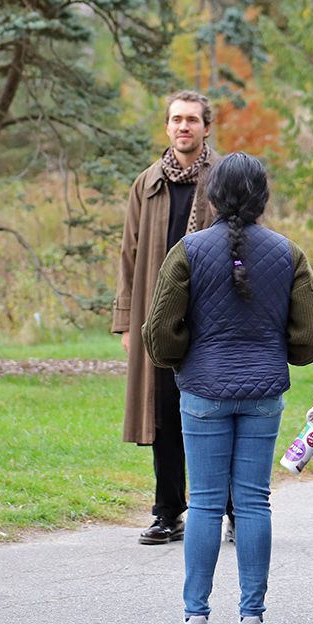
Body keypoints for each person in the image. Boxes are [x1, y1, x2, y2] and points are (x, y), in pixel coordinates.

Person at [141, 153, 313, 624]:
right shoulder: (289, 253)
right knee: (253, 502)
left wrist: (184, 358)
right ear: (263, 197)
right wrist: (272, 351)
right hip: (263, 391)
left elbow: (160, 333)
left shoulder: (187, 250)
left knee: (201, 503)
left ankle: (195, 622)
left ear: (213, 196)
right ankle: (252, 622)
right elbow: (308, 337)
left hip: (202, 389)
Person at [113, 92, 217, 545]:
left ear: (206, 128)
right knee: (164, 417)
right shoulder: (147, 183)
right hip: (158, 318)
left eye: (192, 120)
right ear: (168, 127)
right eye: (176, 119)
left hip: (213, 318)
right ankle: (167, 512)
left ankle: (229, 507)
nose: (184, 127)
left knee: (216, 412)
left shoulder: (225, 178)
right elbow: (129, 254)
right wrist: (124, 323)